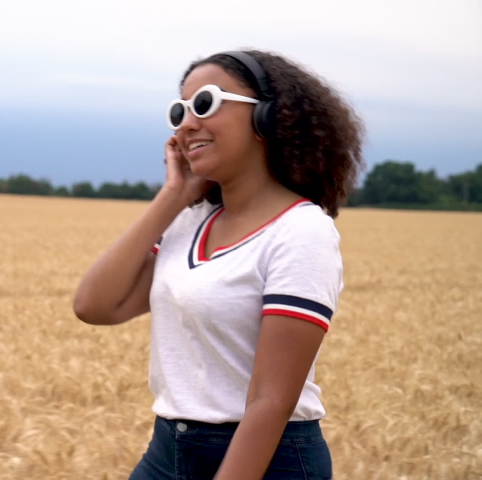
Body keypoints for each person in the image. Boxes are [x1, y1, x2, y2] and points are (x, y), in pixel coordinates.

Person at [72, 49, 365, 479]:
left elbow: (271, 400)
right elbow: (95, 305)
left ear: (268, 117)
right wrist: (173, 196)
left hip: (269, 458)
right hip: (168, 449)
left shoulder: (301, 231)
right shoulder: (190, 222)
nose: (187, 123)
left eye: (205, 104)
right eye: (180, 111)